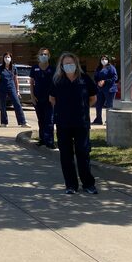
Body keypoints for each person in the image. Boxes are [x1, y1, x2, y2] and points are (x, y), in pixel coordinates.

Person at [49, 53, 98, 195]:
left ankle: (88, 184)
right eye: (66, 64)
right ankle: (71, 185)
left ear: (76, 64)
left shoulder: (85, 79)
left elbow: (93, 98)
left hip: (81, 122)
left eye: (71, 63)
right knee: (66, 155)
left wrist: (82, 108)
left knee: (83, 153)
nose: (68, 66)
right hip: (63, 123)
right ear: (61, 66)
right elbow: (52, 99)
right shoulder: (57, 80)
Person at [30, 47, 56, 148]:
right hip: (37, 98)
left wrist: (53, 96)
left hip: (49, 99)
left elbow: (55, 83)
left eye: (45, 54)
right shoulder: (34, 68)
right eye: (41, 54)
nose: (43, 56)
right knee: (41, 119)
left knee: (50, 120)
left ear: (49, 56)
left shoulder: (52, 69)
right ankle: (42, 139)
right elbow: (32, 83)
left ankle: (50, 141)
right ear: (38, 56)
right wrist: (32, 96)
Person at [0, 52, 29, 127]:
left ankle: (23, 122)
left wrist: (18, 91)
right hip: (2, 88)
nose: (7, 58)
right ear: (3, 59)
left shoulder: (13, 68)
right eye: (5, 57)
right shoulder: (0, 68)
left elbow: (16, 80)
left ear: (11, 58)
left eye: (8, 57)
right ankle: (4, 122)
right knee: (3, 105)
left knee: (17, 104)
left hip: (11, 87)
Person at [92, 55, 119, 125]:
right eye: (102, 59)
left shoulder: (111, 68)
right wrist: (98, 82)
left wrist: (105, 81)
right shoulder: (98, 68)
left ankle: (110, 120)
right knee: (98, 104)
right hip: (100, 89)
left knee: (109, 105)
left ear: (108, 60)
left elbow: (115, 78)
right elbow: (95, 77)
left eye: (105, 59)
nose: (104, 60)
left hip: (110, 89)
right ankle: (98, 119)